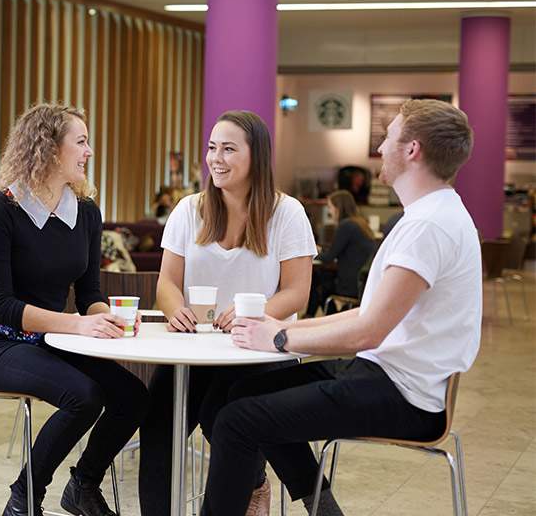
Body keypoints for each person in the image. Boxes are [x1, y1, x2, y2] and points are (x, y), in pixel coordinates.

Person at [210, 99, 480, 516]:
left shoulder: (429, 225)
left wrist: (279, 339)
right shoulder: (429, 215)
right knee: (242, 392)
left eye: (388, 137)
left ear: (412, 150)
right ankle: (323, 508)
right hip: (387, 375)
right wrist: (278, 326)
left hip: (403, 395)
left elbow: (368, 332)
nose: (380, 148)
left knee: (235, 421)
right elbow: (367, 314)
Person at [0, 103, 149, 516]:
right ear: (49, 149)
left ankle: (83, 485)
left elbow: (88, 291)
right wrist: (78, 324)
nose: (89, 151)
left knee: (133, 397)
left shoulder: (85, 211)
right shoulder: (2, 210)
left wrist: (106, 317)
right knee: (83, 396)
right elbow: (1, 306)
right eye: (81, 142)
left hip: (53, 336)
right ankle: (24, 499)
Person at [139, 110, 317, 516]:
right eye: (212, 147)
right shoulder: (189, 209)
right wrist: (176, 309)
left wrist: (253, 315)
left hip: (259, 349)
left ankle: (253, 488)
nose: (216, 158)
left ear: (257, 156)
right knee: (157, 424)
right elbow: (167, 283)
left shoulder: (286, 213)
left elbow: (297, 293)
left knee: (220, 415)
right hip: (199, 347)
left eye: (229, 149)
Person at [306, 190, 376, 317]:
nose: (329, 211)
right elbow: (337, 252)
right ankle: (319, 318)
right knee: (322, 282)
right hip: (362, 283)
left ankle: (316, 317)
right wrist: (321, 250)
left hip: (350, 286)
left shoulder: (345, 226)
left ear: (338, 208)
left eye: (330, 207)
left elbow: (329, 257)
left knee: (318, 285)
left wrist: (310, 253)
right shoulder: (359, 223)